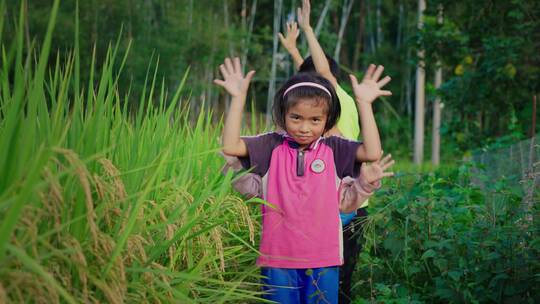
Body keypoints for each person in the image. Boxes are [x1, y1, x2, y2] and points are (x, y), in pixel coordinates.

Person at [215, 54, 393, 303]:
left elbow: (372, 152)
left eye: (315, 120)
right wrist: (237, 99)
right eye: (296, 117)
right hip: (278, 258)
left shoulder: (334, 148)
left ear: (327, 120)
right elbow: (231, 146)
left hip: (324, 258)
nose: (304, 128)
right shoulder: (271, 145)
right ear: (283, 114)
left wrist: (364, 103)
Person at [279, 1, 392, 302]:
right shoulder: (336, 101)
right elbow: (313, 77)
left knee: (334, 280)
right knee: (336, 275)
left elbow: (321, 73)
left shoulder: (333, 100)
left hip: (344, 203)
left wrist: (307, 30)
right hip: (351, 199)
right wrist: (293, 50)